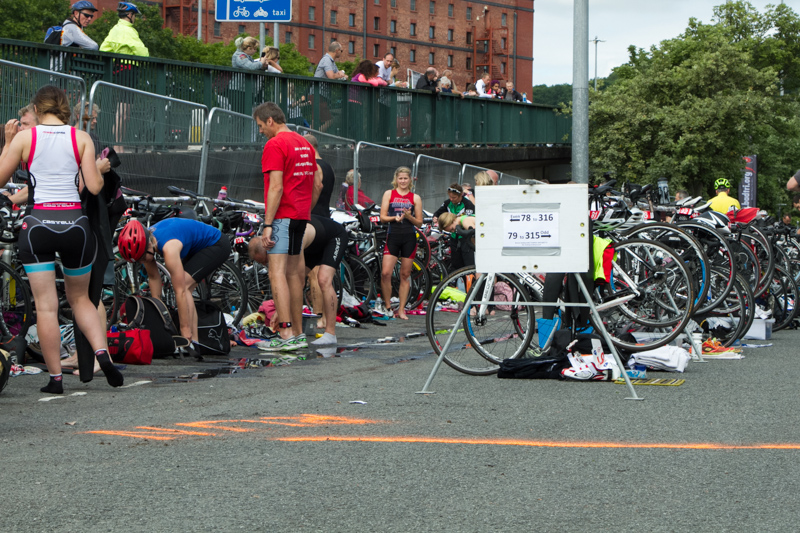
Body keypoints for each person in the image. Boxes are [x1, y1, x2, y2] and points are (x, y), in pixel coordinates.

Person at [0, 85, 122, 394]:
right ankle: (101, 354)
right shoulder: (81, 137)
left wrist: (8, 142)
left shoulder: (27, 138)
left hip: (38, 223)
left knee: (46, 306)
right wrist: (98, 168)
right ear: (64, 108)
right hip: (75, 226)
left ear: (37, 111)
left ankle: (55, 379)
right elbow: (93, 187)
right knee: (81, 299)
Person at [254, 102, 323, 351]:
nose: (261, 131)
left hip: (282, 215)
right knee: (295, 274)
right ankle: (297, 332)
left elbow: (276, 187)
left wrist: (267, 224)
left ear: (270, 121)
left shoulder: (275, 144)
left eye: (261, 126)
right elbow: (317, 184)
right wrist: (305, 209)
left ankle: (285, 333)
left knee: (277, 273)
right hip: (301, 216)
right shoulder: (304, 142)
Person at [118, 218, 230, 345]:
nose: (142, 262)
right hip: (193, 246)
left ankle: (192, 340)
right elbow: (154, 278)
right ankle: (194, 341)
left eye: (142, 258)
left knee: (185, 286)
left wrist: (184, 330)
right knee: (185, 286)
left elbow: (180, 291)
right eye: (138, 261)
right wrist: (159, 316)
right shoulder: (148, 242)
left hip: (217, 244)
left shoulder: (169, 248)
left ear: (149, 245)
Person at [250, 214, 347, 346]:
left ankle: (330, 333)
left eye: (265, 261)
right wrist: (281, 310)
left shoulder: (289, 242)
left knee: (323, 279)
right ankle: (296, 332)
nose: (265, 265)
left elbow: (299, 282)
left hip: (333, 237)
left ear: (269, 250)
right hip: (313, 246)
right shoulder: (280, 244)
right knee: (292, 280)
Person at [377, 167, 423, 320]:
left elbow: (419, 223)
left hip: (409, 237)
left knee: (405, 274)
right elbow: (382, 217)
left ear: (410, 180)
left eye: (405, 178)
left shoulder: (415, 198)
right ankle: (388, 305)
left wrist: (409, 217)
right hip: (393, 235)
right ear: (396, 179)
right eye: (400, 178)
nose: (403, 181)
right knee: (386, 273)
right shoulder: (389, 194)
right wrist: (394, 218)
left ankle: (402, 309)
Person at [432, 184, 476, 269]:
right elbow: (438, 212)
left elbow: (470, 225)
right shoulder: (448, 203)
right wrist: (435, 217)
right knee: (456, 263)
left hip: (464, 237)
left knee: (468, 263)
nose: (451, 199)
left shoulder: (467, 204)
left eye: (454, 197)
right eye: (450, 197)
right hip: (454, 237)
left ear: (461, 195)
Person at [305, 134, 335, 218]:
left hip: (314, 216)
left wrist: (307, 212)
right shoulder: (329, 167)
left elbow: (317, 186)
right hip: (325, 214)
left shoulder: (314, 166)